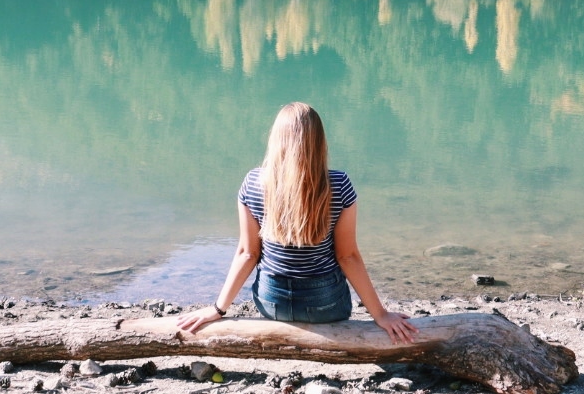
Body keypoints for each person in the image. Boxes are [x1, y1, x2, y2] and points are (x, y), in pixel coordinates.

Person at [176, 103, 418, 343]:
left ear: (276, 140)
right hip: (326, 305)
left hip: (272, 305)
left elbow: (247, 253)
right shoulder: (339, 184)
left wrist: (218, 309)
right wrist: (381, 315)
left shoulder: (253, 183)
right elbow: (348, 257)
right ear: (319, 141)